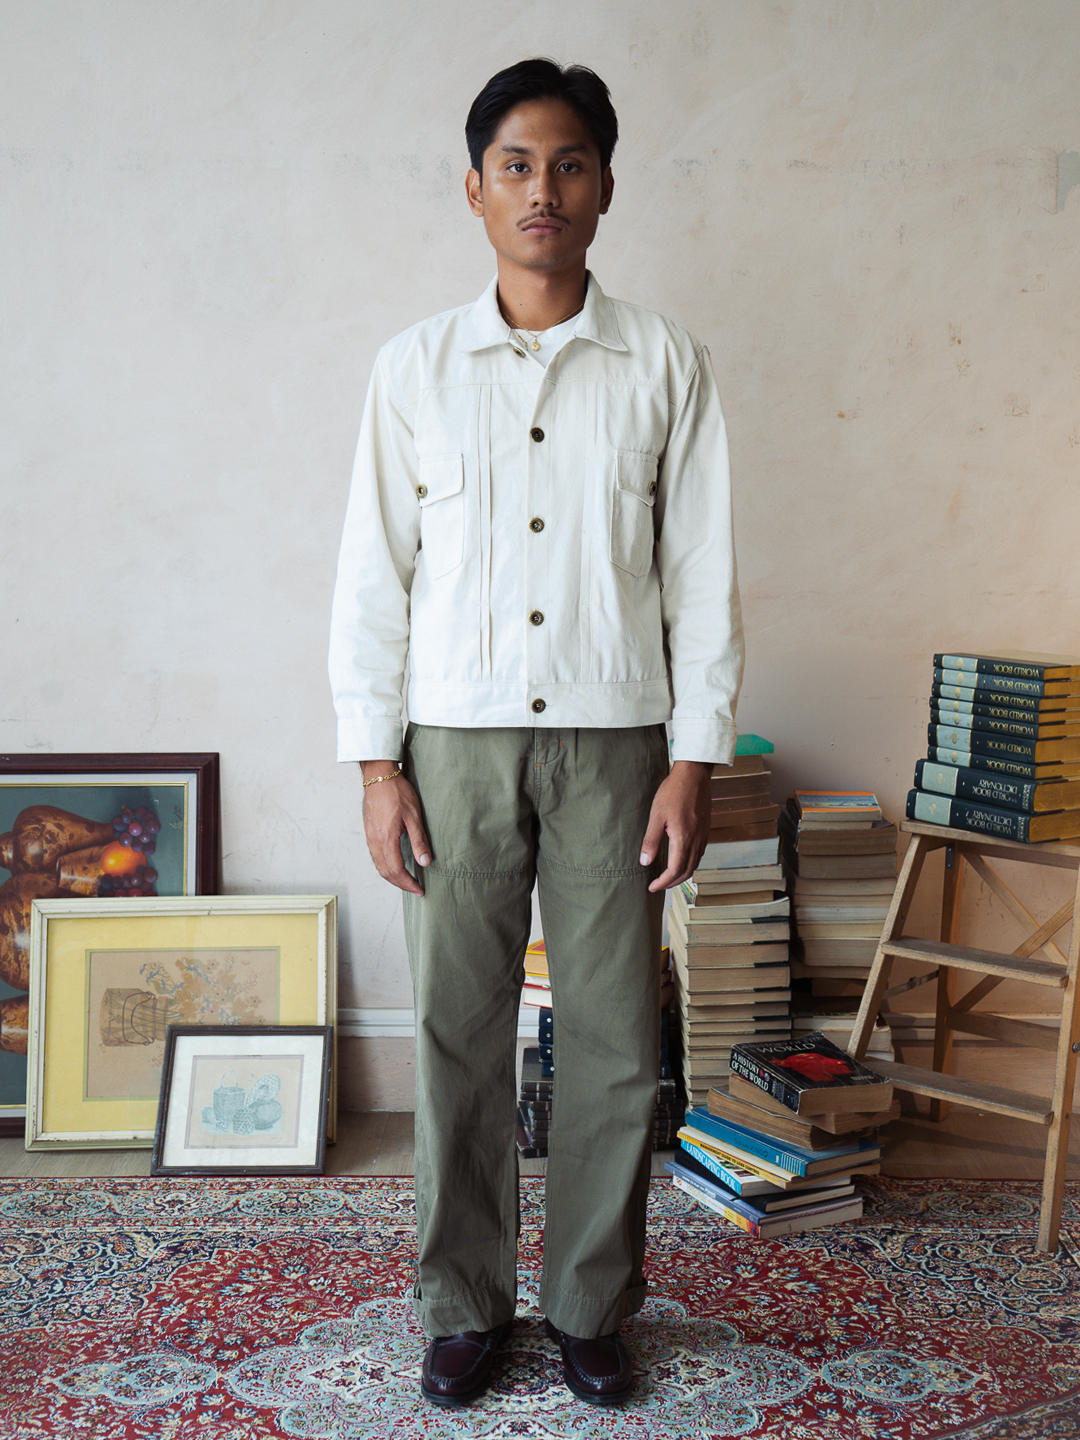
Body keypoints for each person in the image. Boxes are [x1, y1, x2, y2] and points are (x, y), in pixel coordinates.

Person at [329, 57, 743, 1408]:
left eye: (568, 163)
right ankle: (461, 1303)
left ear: (606, 187)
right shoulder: (414, 370)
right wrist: (377, 762)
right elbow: (371, 576)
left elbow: (703, 571)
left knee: (619, 1036)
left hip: (620, 746)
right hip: (451, 745)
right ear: (474, 188)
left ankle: (589, 1304)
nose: (542, 189)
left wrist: (694, 757)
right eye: (516, 164)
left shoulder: (666, 362)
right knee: (457, 1028)